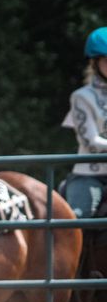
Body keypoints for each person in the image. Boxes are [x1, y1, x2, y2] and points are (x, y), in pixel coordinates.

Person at [62, 27, 107, 219]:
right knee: (77, 219)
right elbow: (91, 142)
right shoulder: (82, 97)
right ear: (96, 63)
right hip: (90, 174)